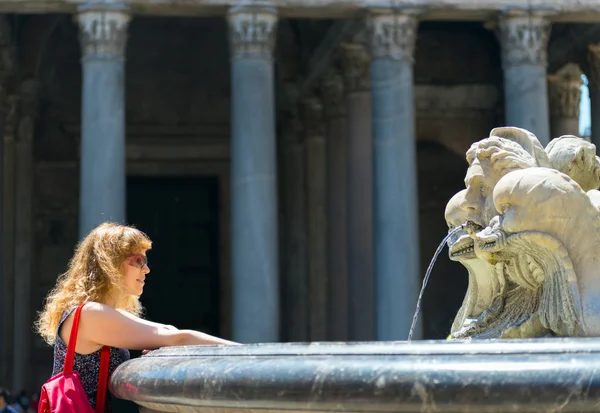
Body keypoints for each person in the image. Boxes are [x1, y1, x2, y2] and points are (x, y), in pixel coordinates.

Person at [35, 222, 238, 412]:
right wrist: (247, 353)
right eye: (138, 261)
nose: (147, 269)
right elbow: (177, 337)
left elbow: (168, 332)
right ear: (111, 263)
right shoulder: (91, 314)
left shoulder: (94, 313)